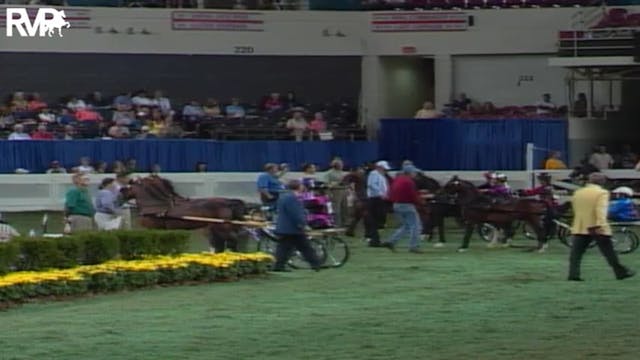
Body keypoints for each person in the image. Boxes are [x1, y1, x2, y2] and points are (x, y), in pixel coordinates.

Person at [568, 173, 634, 281]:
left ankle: (573, 274)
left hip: (580, 225)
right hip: (596, 226)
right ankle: (620, 272)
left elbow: (576, 209)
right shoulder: (602, 193)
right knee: (608, 252)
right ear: (602, 182)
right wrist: (601, 225)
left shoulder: (578, 192)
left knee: (576, 253)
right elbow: (601, 210)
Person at [272, 179, 322, 272]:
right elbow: (296, 214)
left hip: (284, 227)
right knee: (305, 247)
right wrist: (303, 224)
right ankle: (316, 264)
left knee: (284, 248)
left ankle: (278, 266)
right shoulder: (293, 198)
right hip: (293, 228)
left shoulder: (283, 197)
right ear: (299, 187)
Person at [382, 164, 423, 253]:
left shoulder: (397, 180)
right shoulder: (409, 182)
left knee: (406, 226)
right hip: (407, 205)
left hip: (396, 205)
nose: (415, 174)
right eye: (414, 172)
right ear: (410, 173)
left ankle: (391, 241)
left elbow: (391, 192)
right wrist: (420, 203)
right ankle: (413, 246)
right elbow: (413, 195)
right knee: (416, 226)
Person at [518, 173, 559, 241]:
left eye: (541, 180)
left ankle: (548, 232)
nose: (540, 181)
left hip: (549, 206)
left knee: (546, 219)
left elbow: (533, 192)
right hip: (548, 205)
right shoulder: (549, 187)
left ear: (545, 180)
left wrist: (523, 192)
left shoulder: (545, 188)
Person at [364, 160, 391, 247]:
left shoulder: (381, 175)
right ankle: (373, 239)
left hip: (379, 199)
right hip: (375, 199)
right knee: (374, 219)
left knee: (377, 219)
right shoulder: (374, 174)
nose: (385, 170)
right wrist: (381, 194)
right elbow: (372, 185)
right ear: (380, 167)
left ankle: (374, 239)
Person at [325, 158, 348, 227]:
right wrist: (329, 193)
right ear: (336, 165)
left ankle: (345, 222)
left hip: (344, 190)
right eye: (340, 164)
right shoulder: (329, 173)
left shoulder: (343, 173)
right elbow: (326, 184)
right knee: (336, 208)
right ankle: (337, 223)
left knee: (344, 207)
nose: (342, 165)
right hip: (335, 191)